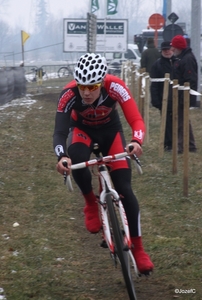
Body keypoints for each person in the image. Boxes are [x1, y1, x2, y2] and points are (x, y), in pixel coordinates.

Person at [53, 53, 154, 275]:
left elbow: (136, 119)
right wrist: (62, 157)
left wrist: (136, 141)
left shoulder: (116, 86)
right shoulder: (69, 94)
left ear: (103, 81)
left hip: (111, 132)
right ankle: (90, 202)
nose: (86, 92)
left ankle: (139, 250)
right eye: (82, 87)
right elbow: (60, 132)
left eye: (93, 86)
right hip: (81, 131)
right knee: (77, 158)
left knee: (125, 189)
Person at [170, 35, 197, 153]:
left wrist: (184, 97)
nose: (172, 50)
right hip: (181, 95)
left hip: (184, 96)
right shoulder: (183, 58)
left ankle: (182, 147)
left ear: (178, 47)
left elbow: (190, 80)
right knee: (183, 120)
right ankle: (190, 146)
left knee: (181, 121)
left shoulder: (187, 59)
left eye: (173, 47)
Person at [150, 41, 177, 151]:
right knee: (166, 122)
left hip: (177, 97)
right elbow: (154, 84)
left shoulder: (178, 62)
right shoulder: (157, 65)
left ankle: (179, 142)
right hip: (164, 99)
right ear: (161, 51)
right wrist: (155, 100)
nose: (167, 52)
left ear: (172, 50)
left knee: (178, 121)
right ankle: (168, 144)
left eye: (168, 49)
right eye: (164, 50)